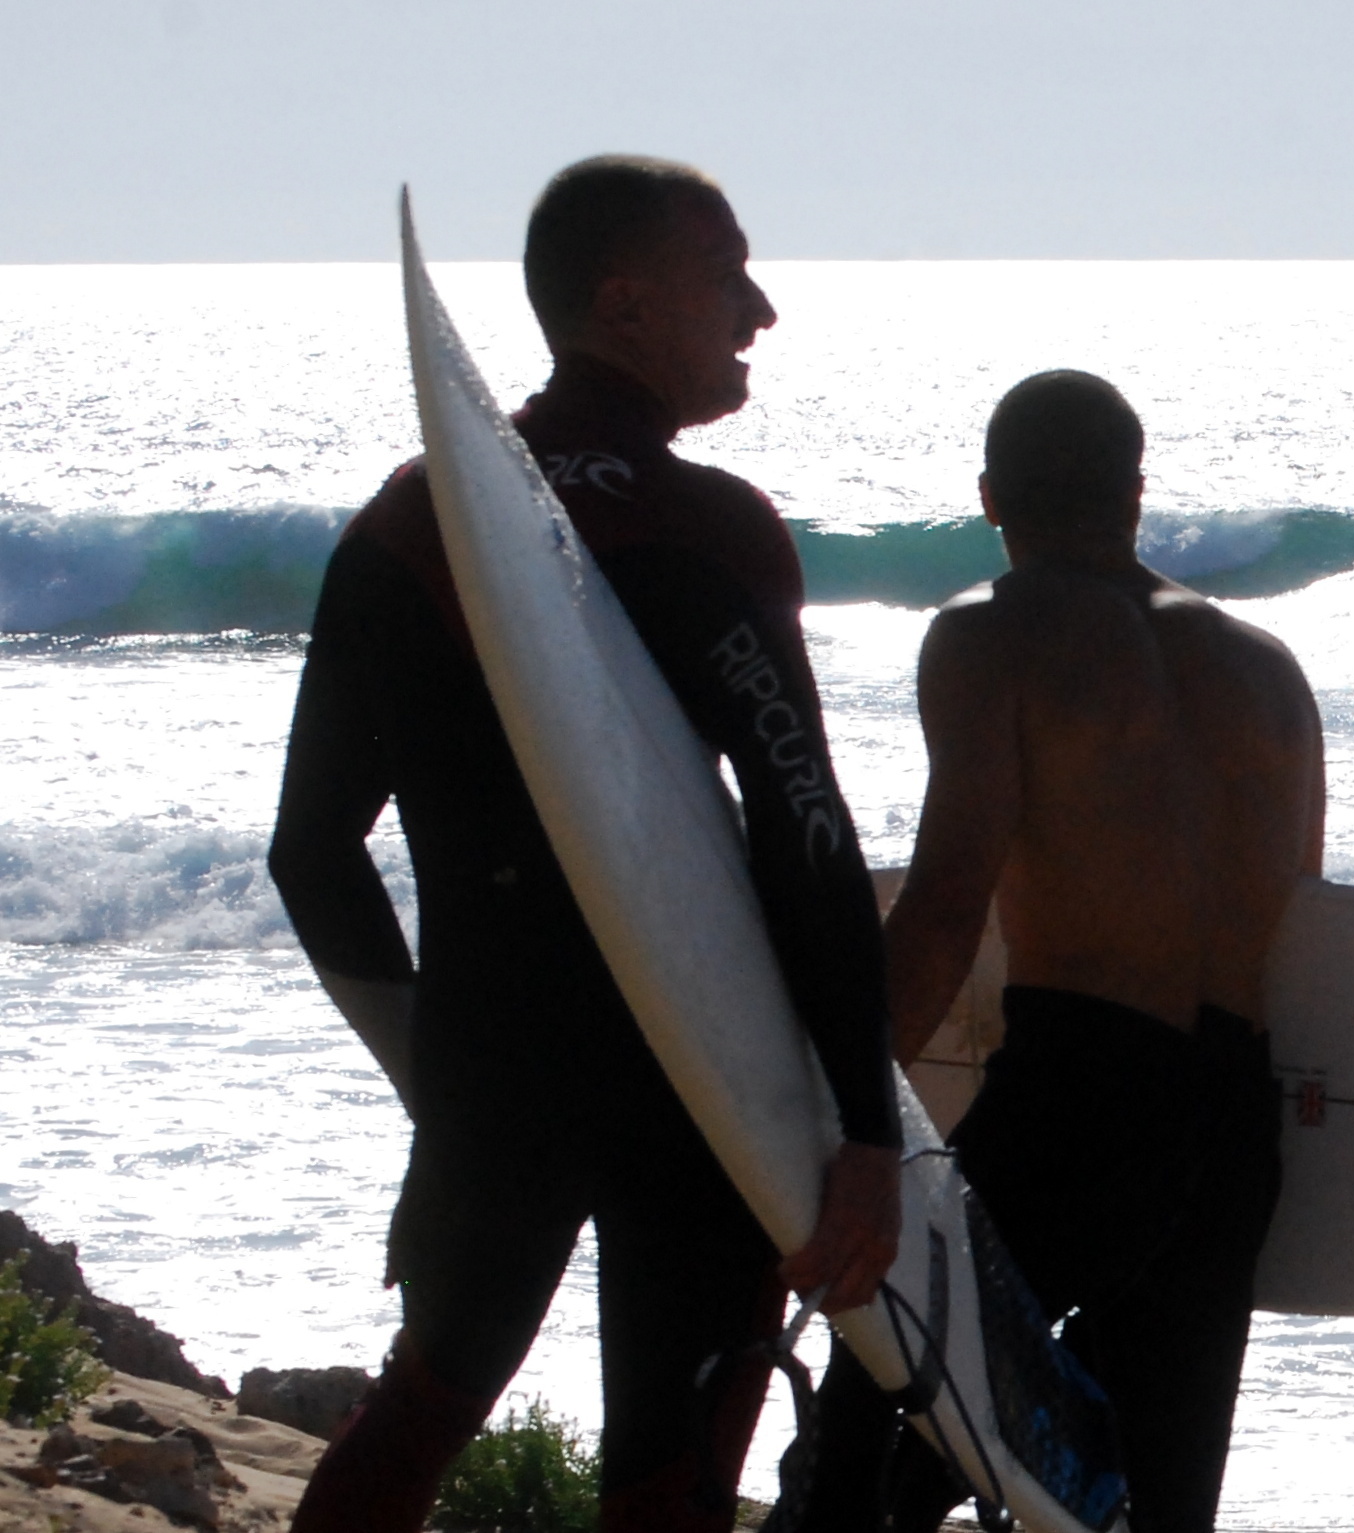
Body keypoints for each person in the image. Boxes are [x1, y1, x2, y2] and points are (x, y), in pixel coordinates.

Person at [269, 155, 902, 1533]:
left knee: (415, 1424)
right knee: (665, 1495)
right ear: (624, 300)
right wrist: (866, 1129)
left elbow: (310, 852)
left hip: (494, 1085)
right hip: (701, 1090)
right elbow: (805, 835)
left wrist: (436, 1068)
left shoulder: (413, 521)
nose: (761, 308)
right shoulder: (700, 528)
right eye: (726, 269)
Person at [780, 370, 1323, 1533]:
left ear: (988, 498)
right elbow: (1304, 927)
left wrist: (841, 1120)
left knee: (870, 1448)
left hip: (1079, 1099)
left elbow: (943, 908)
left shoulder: (989, 635)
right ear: (1136, 493)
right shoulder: (1269, 672)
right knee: (1148, 1509)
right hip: (1234, 1121)